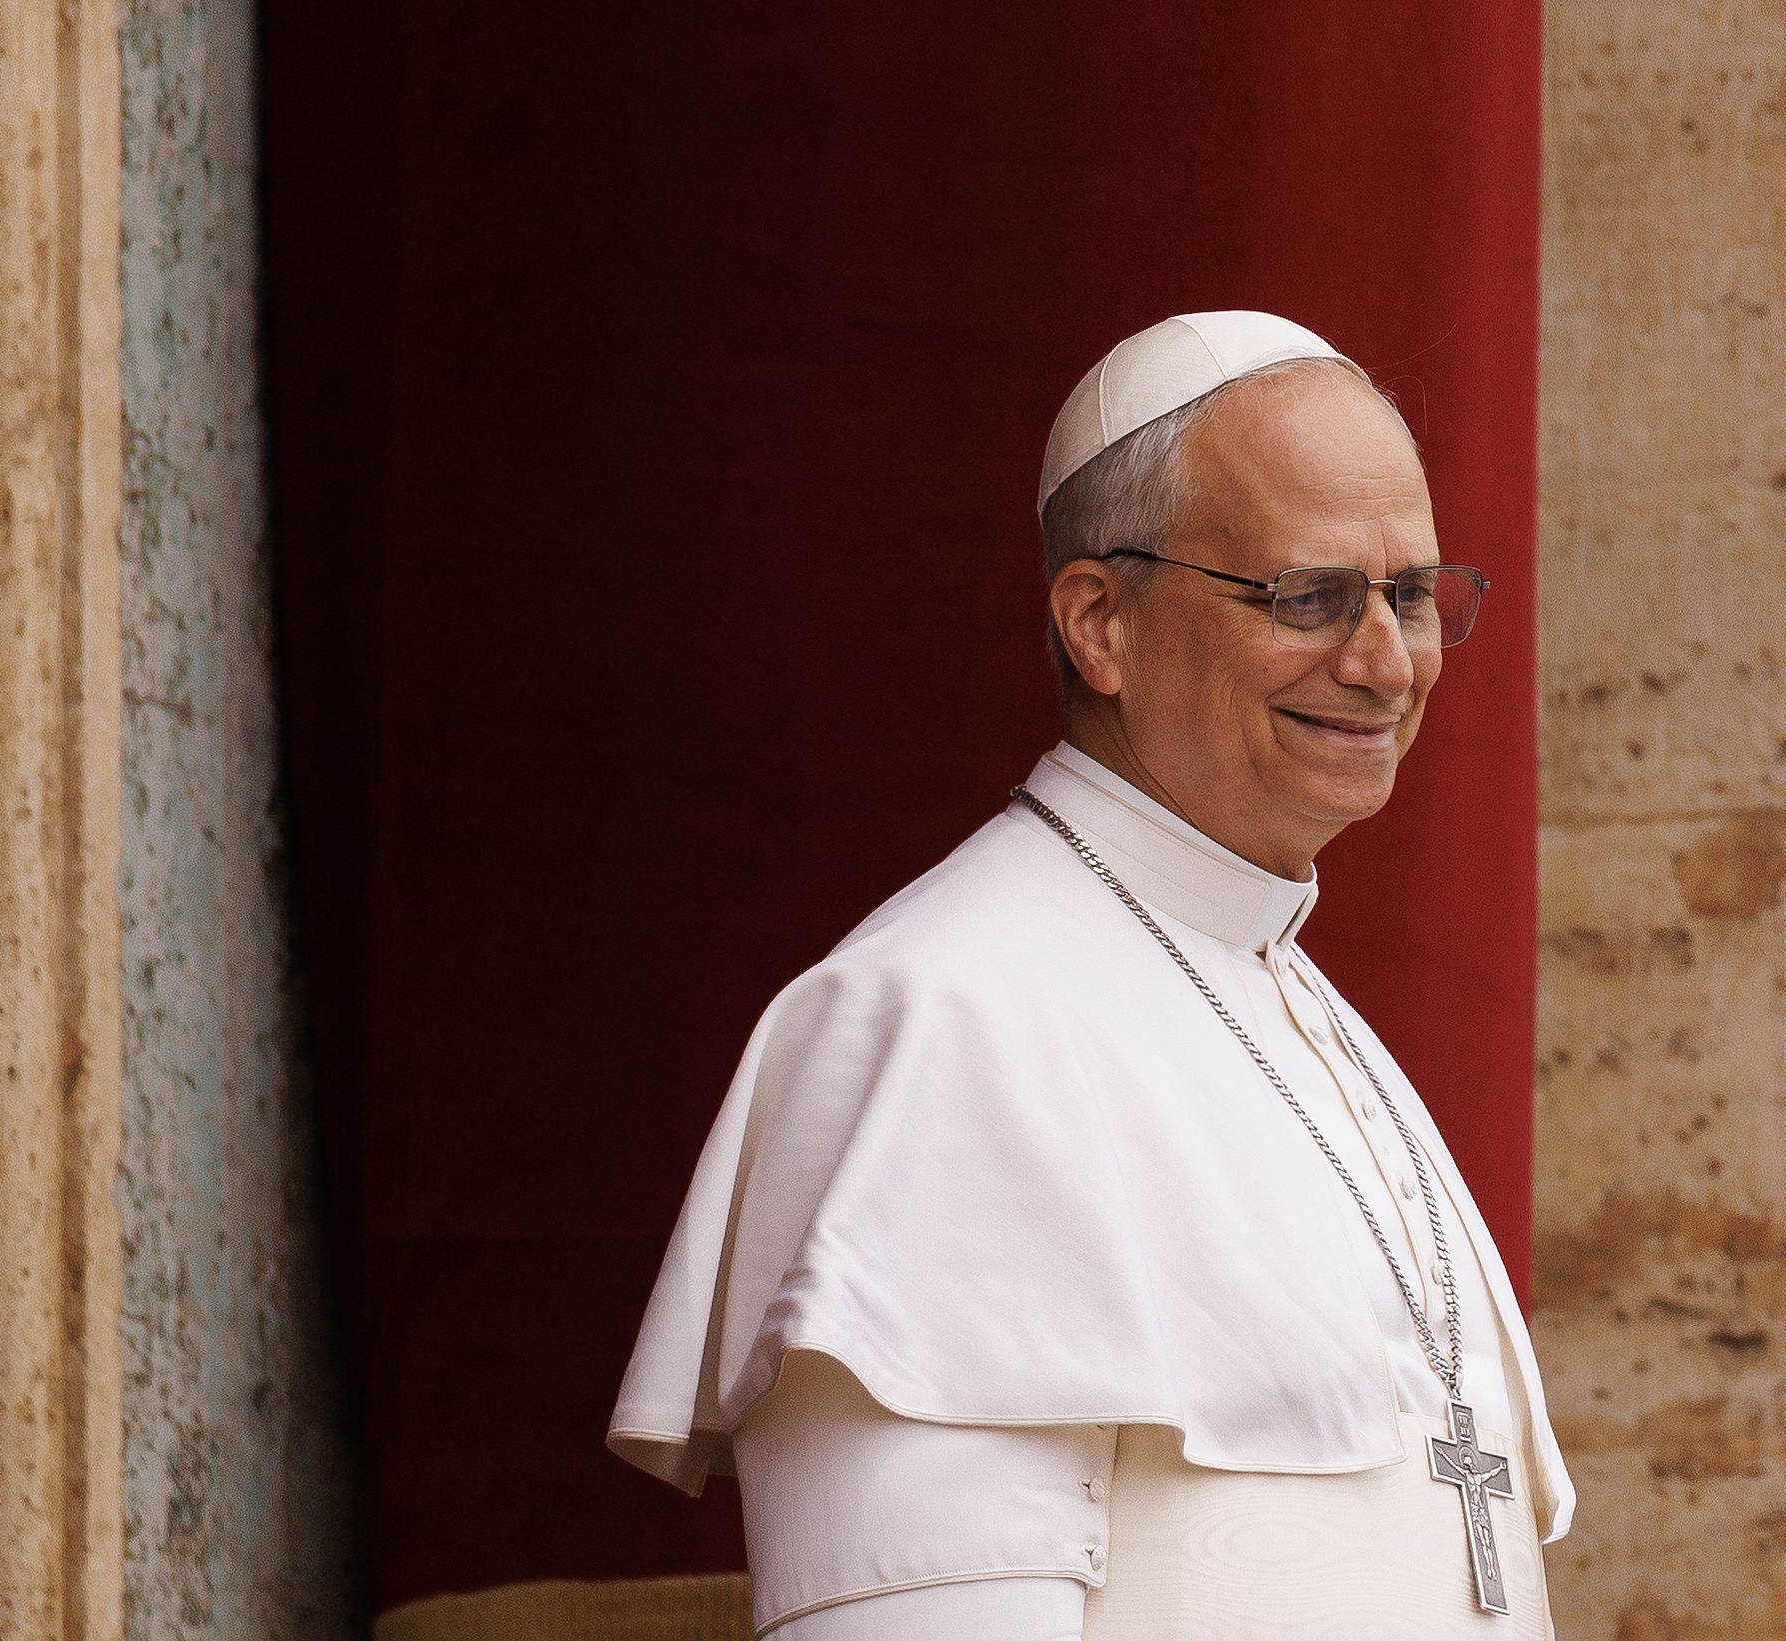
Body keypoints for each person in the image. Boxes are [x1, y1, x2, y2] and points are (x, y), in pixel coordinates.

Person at [610, 311, 1572, 1639]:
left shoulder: (1308, 1013)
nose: (1386, 660)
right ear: (1100, 622)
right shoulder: (938, 1022)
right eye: (1310, 596)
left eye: (1411, 593)